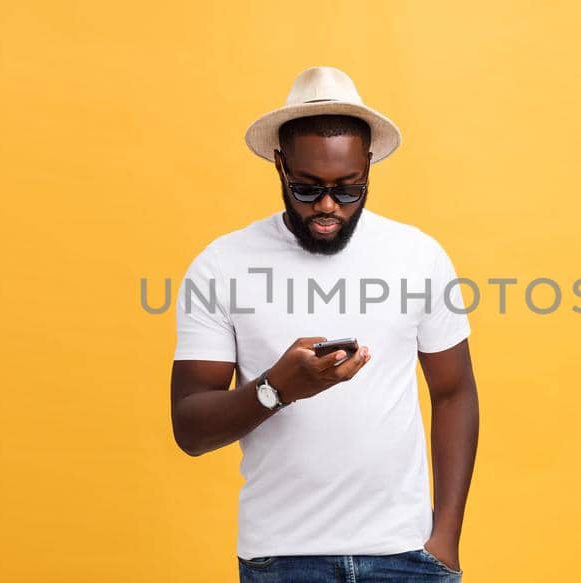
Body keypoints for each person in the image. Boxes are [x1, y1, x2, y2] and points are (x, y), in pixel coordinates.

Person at [170, 66, 480, 582]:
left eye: (349, 189)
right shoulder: (222, 264)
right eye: (308, 190)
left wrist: (444, 535)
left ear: (369, 166)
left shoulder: (418, 256)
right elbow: (190, 428)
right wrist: (277, 389)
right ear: (279, 165)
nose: (329, 208)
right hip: (282, 558)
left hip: (407, 556)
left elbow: (454, 392)